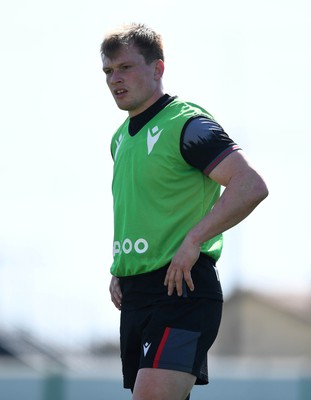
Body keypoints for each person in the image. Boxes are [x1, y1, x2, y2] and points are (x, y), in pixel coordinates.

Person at [100, 23, 268, 400]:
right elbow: (145, 206)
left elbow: (250, 186)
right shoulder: (119, 139)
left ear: (158, 68)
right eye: (108, 71)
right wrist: (120, 267)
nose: (115, 79)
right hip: (136, 293)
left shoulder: (186, 124)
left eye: (126, 67)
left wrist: (194, 239)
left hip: (183, 290)